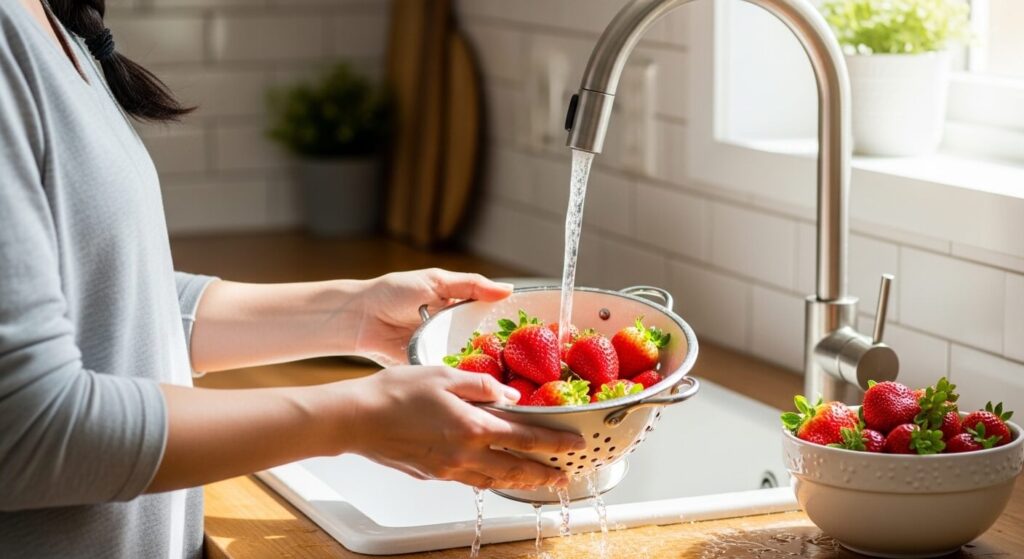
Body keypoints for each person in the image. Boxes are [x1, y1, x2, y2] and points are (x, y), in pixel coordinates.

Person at [0, 2, 583, 557]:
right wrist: (358, 416)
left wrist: (355, 315)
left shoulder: (47, 17)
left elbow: (112, 301)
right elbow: (26, 427)